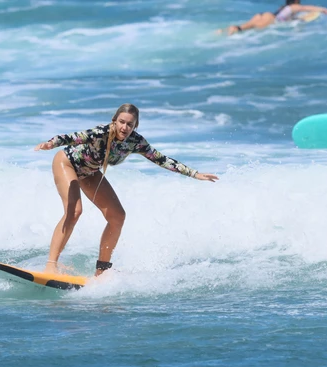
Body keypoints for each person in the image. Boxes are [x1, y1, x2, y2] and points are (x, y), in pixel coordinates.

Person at [34, 104, 219, 277]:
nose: (124, 127)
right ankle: (51, 265)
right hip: (67, 163)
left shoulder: (135, 142)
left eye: (130, 124)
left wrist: (194, 174)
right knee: (74, 211)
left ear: (135, 126)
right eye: (121, 122)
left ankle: (102, 271)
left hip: (90, 172)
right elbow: (74, 137)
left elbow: (161, 159)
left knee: (117, 216)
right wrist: (51, 143)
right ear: (115, 120)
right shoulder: (101, 132)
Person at [218, 0, 327, 36]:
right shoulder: (294, 6)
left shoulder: (286, 8)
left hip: (264, 15)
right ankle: (231, 29)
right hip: (270, 19)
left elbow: (286, 18)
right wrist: (322, 9)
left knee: (247, 26)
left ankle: (223, 30)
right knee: (250, 27)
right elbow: (305, 8)